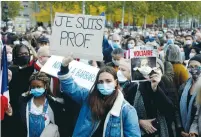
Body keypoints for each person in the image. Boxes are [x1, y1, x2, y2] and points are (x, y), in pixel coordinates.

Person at [57, 55, 141, 137]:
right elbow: (71, 88)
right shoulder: (88, 97)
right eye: (100, 82)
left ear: (115, 82)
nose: (104, 84)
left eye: (108, 81)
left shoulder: (127, 110)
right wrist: (64, 67)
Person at [131, 58, 175, 137]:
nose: (154, 71)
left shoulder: (167, 85)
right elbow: (128, 112)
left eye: (157, 68)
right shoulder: (135, 87)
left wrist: (155, 89)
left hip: (163, 132)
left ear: (162, 71)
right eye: (151, 68)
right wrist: (140, 121)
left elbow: (170, 111)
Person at [19, 72, 60, 137]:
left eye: (38, 87)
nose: (35, 89)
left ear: (45, 86)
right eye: (33, 87)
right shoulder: (24, 102)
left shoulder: (53, 104)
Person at [179, 54, 201, 137]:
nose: (193, 69)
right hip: (185, 131)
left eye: (196, 66)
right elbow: (177, 108)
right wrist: (180, 129)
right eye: (191, 66)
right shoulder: (183, 86)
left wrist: (194, 132)